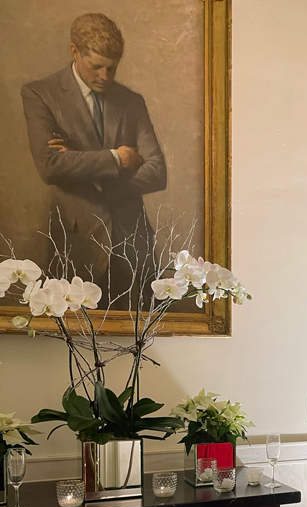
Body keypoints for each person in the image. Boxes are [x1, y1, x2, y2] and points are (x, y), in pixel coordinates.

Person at [21, 13, 167, 307]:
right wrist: (117, 158)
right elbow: (50, 166)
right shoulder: (40, 94)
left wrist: (79, 163)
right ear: (75, 51)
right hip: (78, 247)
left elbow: (157, 173)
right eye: (96, 67)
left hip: (133, 246)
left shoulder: (131, 101)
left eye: (112, 68)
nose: (105, 77)